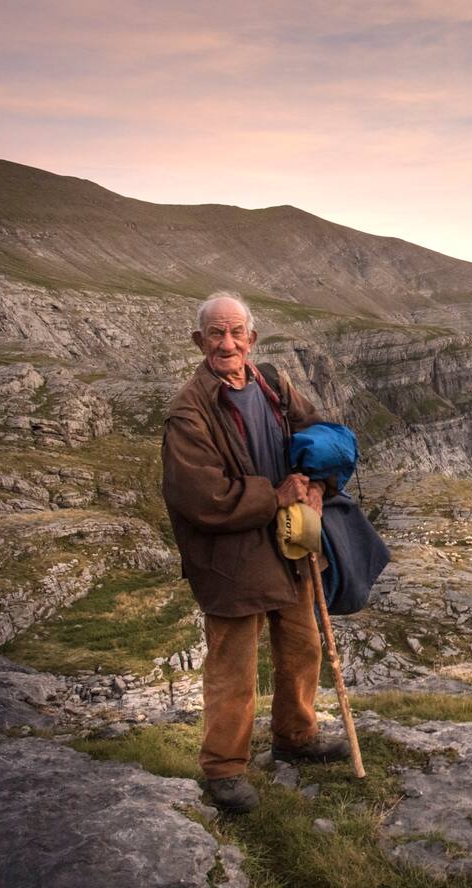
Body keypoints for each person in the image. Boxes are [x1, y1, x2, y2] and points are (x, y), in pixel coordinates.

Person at [161, 290, 352, 813]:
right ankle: (224, 769)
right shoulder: (189, 412)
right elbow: (202, 497)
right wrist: (276, 495)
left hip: (288, 543)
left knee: (303, 646)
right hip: (231, 557)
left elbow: (315, 434)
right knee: (234, 667)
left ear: (251, 338)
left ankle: (296, 737)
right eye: (215, 334)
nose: (227, 343)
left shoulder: (273, 383)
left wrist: (318, 486)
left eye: (235, 332)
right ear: (199, 341)